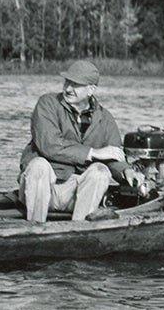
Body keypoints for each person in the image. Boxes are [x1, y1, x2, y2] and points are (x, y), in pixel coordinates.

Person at [19, 59, 127, 222]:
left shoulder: (105, 118)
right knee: (38, 166)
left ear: (91, 89)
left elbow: (114, 156)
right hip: (43, 189)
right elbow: (50, 145)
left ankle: (80, 231)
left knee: (100, 171)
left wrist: (127, 171)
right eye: (67, 82)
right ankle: (34, 229)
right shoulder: (47, 104)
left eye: (75, 84)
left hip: (76, 194)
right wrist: (94, 153)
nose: (68, 88)